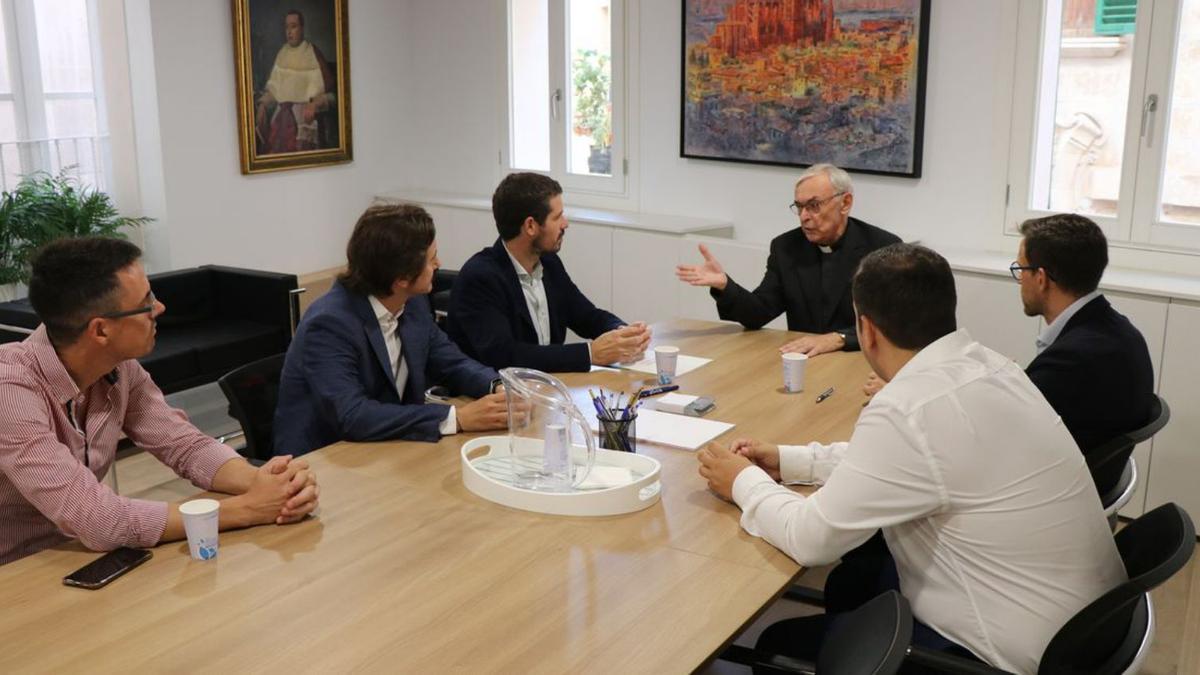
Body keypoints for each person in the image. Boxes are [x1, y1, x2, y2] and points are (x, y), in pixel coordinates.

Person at [697, 244, 1124, 674]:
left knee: (775, 644)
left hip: (1000, 652)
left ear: (866, 329)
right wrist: (791, 462)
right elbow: (913, 463)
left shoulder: (907, 407)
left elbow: (811, 540)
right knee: (856, 582)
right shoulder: (991, 366)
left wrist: (741, 482)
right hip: (1083, 627)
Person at [0, 238, 319, 566]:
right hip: (14, 572)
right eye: (146, 302)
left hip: (68, 557)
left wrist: (269, 484)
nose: (160, 308)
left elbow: (184, 446)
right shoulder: (9, 391)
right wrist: (248, 509)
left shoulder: (118, 367)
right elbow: (99, 520)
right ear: (100, 331)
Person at [275, 203, 509, 456]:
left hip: (389, 447)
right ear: (402, 279)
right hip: (326, 461)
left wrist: (497, 386)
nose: (439, 264)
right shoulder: (329, 324)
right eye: (432, 260)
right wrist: (458, 417)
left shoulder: (412, 301)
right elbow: (352, 415)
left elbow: (449, 360)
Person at [676, 163, 899, 356]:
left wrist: (839, 338)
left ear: (845, 203)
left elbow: (892, 323)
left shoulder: (883, 248)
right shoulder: (787, 248)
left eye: (814, 206)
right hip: (803, 360)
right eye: (800, 207)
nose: (804, 216)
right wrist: (725, 286)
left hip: (860, 361)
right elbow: (759, 312)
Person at [445, 172, 651, 372]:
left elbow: (585, 315)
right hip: (494, 398)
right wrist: (590, 354)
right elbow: (505, 356)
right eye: (557, 217)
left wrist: (623, 333)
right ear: (531, 226)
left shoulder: (549, 262)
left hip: (546, 391)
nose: (565, 224)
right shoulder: (480, 277)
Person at [1014, 213, 1155, 495]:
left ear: (1041, 278)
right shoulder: (1122, 331)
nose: (1019, 281)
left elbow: (1009, 439)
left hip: (1051, 499)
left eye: (1021, 270)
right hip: (1088, 487)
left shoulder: (1071, 361)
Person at [255, 10, 337, 153]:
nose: (289, 32)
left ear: (302, 28)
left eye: (293, 26)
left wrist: (315, 104)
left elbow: (332, 95)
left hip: (304, 121)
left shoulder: (312, 52)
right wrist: (262, 104)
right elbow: (274, 91)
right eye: (287, 27)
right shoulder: (282, 53)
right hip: (280, 121)